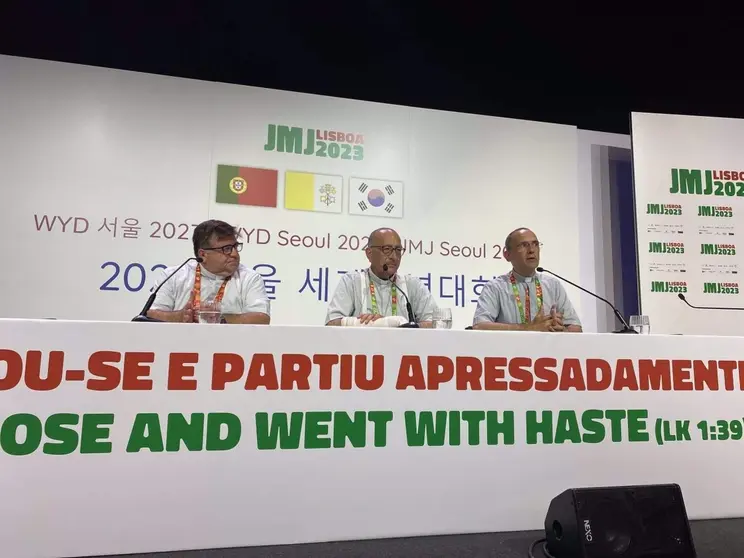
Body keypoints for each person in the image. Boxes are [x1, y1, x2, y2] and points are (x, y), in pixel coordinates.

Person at [147, 219, 271, 324]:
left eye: (235, 247)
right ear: (203, 254)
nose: (234, 254)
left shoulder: (249, 278)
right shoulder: (173, 276)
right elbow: (150, 315)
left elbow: (261, 318)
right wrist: (180, 316)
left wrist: (220, 318)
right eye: (226, 249)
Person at [472, 227, 581, 332]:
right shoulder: (495, 287)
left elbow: (576, 328)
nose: (531, 250)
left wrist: (561, 329)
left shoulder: (553, 285)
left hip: (547, 350)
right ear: (507, 255)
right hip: (510, 350)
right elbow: (479, 326)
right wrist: (528, 328)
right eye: (524, 245)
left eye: (535, 244)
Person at [326, 227, 438, 327]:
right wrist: (374, 323)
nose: (394, 257)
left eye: (398, 250)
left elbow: (435, 323)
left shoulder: (412, 285)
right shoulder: (352, 281)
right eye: (387, 249)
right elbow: (332, 323)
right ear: (369, 253)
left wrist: (404, 325)